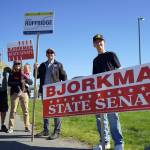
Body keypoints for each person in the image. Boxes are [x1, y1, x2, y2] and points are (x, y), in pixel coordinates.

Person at [92, 34, 124, 150]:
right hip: (100, 93)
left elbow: (120, 71)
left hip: (111, 92)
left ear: (104, 42)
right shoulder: (95, 60)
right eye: (96, 42)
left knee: (113, 116)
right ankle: (105, 142)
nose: (99, 43)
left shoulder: (111, 55)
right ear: (93, 45)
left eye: (100, 41)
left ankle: (119, 143)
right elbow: (94, 77)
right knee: (101, 118)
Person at [34, 48, 67, 140]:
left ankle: (57, 131)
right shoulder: (42, 65)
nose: (50, 54)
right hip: (45, 91)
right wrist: (35, 68)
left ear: (54, 54)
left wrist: (64, 90)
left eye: (51, 52)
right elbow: (36, 76)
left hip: (55, 92)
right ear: (46, 55)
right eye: (48, 53)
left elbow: (64, 78)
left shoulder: (58, 65)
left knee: (56, 111)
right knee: (46, 111)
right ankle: (46, 130)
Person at [7, 60, 33, 133]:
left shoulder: (24, 73)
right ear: (14, 65)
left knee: (26, 111)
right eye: (16, 63)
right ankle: (11, 127)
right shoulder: (12, 73)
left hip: (24, 93)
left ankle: (27, 126)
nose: (17, 65)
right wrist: (18, 83)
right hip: (15, 94)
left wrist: (26, 79)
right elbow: (9, 83)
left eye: (19, 63)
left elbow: (31, 82)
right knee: (13, 111)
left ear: (21, 64)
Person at [0, 66, 11, 133]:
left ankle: (3, 125)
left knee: (3, 109)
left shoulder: (5, 68)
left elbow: (11, 73)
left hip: (4, 91)